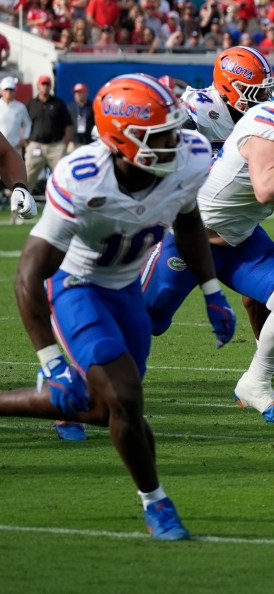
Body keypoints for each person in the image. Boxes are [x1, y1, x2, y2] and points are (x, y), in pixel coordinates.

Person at [0, 73, 236, 540]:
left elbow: (189, 222)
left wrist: (211, 290)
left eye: (173, 129)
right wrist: (50, 357)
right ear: (121, 139)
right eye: (159, 135)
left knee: (110, 410)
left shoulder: (188, 158)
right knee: (124, 396)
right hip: (79, 285)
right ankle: (158, 504)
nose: (175, 141)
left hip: (126, 289)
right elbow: (28, 277)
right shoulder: (81, 178)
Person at [142, 56, 274, 428]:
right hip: (190, 237)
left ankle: (255, 383)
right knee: (142, 321)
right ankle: (71, 396)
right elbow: (269, 186)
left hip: (239, 237)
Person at [174, 46, 274, 383]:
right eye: (253, 93)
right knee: (147, 314)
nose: (262, 99)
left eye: (266, 92)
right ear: (227, 87)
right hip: (184, 218)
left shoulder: (271, 118)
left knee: (267, 289)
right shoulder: (197, 109)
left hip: (234, 218)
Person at [25, 75, 73, 193]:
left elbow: (69, 125)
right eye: (43, 84)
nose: (45, 87)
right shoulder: (31, 104)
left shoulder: (58, 103)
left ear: (50, 86)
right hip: (36, 145)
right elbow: (23, 124)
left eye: (47, 84)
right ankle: (19, 208)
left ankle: (65, 207)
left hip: (55, 146)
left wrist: (64, 144)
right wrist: (26, 143)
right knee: (27, 177)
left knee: (62, 178)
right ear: (38, 86)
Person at [68, 83, 96, 147]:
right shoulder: (70, 108)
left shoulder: (92, 107)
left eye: (81, 92)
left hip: (89, 142)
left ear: (86, 93)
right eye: (76, 93)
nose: (78, 95)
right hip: (74, 142)